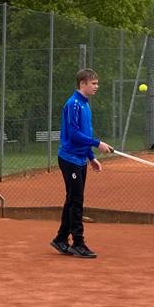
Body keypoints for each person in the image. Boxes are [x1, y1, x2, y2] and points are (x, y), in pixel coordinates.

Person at [50, 68, 111, 260]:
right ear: (82, 84)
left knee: (72, 200)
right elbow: (75, 134)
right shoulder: (73, 104)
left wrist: (91, 157)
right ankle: (78, 243)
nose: (96, 86)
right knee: (76, 201)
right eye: (93, 83)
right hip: (69, 159)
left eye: (97, 83)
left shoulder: (85, 105)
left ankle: (61, 239)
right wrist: (97, 144)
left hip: (80, 158)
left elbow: (85, 135)